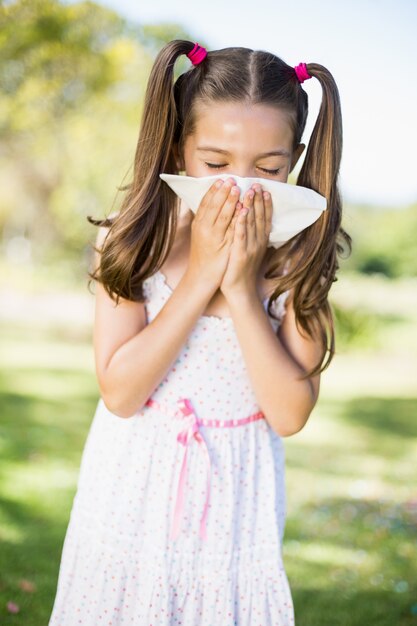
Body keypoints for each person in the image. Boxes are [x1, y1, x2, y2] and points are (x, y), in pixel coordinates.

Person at [48, 40, 352, 625]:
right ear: (179, 148)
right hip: (130, 494)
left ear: (294, 158)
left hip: (234, 510)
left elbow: (289, 414)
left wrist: (239, 288)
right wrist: (202, 276)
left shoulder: (297, 261)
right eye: (216, 164)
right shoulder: (133, 244)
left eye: (267, 168)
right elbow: (121, 393)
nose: (240, 186)